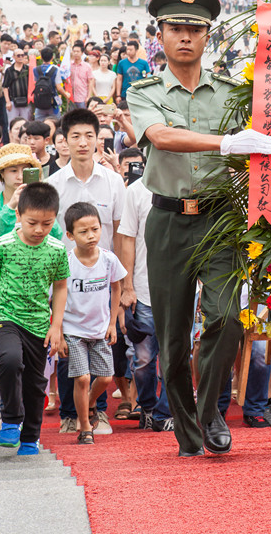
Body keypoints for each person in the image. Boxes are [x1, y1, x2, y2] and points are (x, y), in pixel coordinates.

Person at [127, 0, 271, 458]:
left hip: (219, 221)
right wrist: (224, 143)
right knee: (171, 340)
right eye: (176, 28)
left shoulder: (232, 92)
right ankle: (188, 431)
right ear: (161, 34)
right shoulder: (144, 90)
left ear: (208, 36)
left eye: (195, 28)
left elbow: (262, 139)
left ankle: (209, 407)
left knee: (228, 318)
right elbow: (161, 136)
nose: (186, 36)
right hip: (169, 221)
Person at [48, 108, 126, 435]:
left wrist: (124, 286)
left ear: (98, 139)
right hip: (66, 281)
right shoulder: (53, 185)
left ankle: (97, 410)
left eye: (89, 136)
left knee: (102, 346)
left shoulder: (113, 182)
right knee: (69, 348)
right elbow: (49, 238)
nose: (82, 142)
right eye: (75, 136)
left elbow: (121, 233)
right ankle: (70, 414)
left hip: (102, 278)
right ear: (63, 141)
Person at [0, 182, 69, 454]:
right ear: (18, 216)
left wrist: (56, 326)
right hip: (4, 315)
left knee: (36, 384)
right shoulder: (3, 244)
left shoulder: (56, 249)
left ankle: (30, 437)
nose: (38, 230)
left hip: (39, 322)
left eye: (47, 223)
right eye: (32, 222)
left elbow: (60, 286)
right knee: (9, 360)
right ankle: (10, 419)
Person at [60, 202, 127, 444]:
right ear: (70, 235)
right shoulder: (65, 262)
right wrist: (57, 331)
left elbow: (116, 286)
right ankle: (85, 427)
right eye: (83, 231)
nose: (91, 236)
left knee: (106, 377)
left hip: (100, 329)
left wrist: (112, 323)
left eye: (95, 229)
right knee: (83, 378)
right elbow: (55, 297)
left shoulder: (108, 259)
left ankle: (88, 403)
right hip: (73, 329)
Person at [118, 163, 174, 431]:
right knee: (143, 359)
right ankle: (148, 405)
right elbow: (127, 239)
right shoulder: (137, 191)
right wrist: (127, 287)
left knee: (177, 357)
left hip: (181, 290)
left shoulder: (188, 187)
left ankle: (167, 411)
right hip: (144, 287)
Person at [0, 144, 63, 259]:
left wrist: (39, 201)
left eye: (25, 170)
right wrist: (10, 207)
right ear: (2, 173)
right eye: (13, 170)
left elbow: (56, 235)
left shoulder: (39, 201)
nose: (20, 176)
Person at [2, 48, 31, 123]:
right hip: (13, 101)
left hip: (26, 101)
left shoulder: (28, 69)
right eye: (18, 55)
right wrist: (8, 102)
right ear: (14, 56)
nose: (21, 57)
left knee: (26, 123)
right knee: (12, 123)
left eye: (22, 55)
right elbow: (5, 87)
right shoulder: (9, 70)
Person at [70, 41, 95, 108]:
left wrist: (89, 97)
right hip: (70, 97)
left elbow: (90, 82)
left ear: (82, 53)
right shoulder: (69, 65)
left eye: (78, 51)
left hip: (82, 97)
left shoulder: (87, 66)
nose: (75, 53)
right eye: (74, 51)